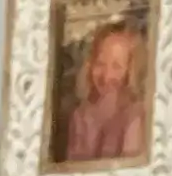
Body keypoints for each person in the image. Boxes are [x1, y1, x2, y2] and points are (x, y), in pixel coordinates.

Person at [61, 22, 149, 165]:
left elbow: (130, 170)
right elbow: (74, 169)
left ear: (131, 70)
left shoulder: (137, 116)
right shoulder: (80, 117)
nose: (107, 76)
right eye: (100, 64)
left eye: (117, 66)